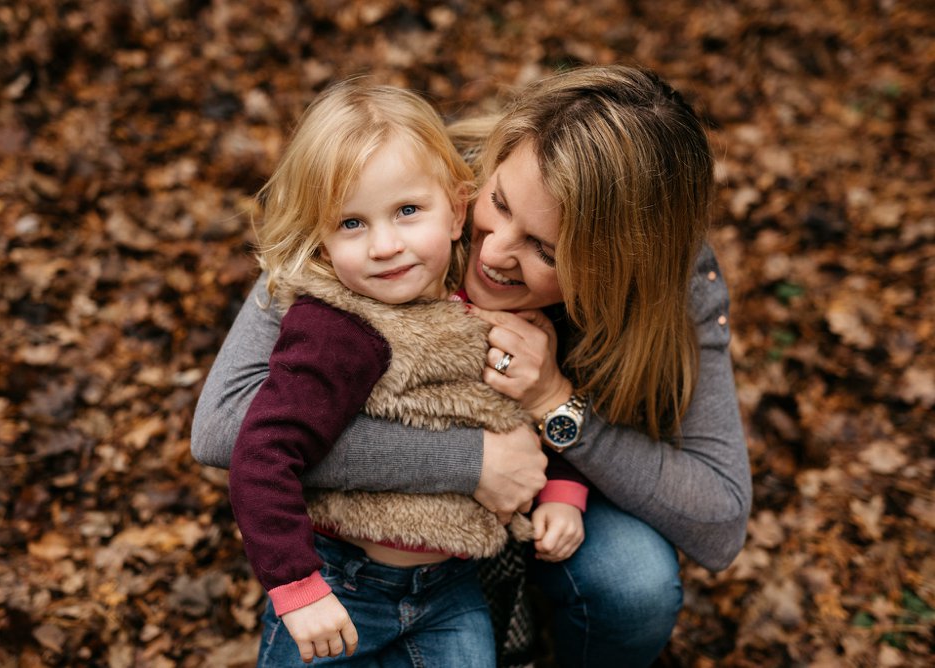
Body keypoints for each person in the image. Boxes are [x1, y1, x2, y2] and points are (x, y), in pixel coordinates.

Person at [194, 65, 751, 667]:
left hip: (531, 522)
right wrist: (469, 462)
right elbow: (224, 425)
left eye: (544, 250)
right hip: (367, 553)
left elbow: (719, 519)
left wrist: (552, 404)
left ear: (619, 271)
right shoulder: (395, 185)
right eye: (499, 202)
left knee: (632, 579)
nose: (492, 252)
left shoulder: (677, 280)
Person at [228, 80, 588, 666]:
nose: (384, 245)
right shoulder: (336, 331)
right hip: (344, 583)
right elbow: (263, 451)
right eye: (351, 224)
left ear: (457, 208)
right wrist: (297, 589)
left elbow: (517, 405)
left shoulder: (485, 308)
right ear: (320, 241)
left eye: (407, 211)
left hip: (450, 591)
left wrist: (562, 494)